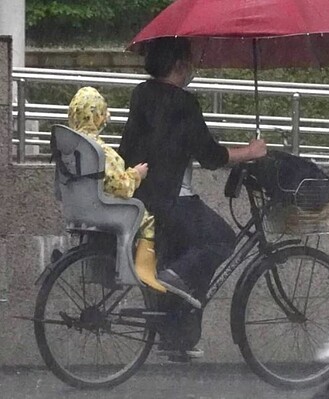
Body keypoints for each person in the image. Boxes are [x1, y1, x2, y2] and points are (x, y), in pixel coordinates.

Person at [118, 37, 267, 358]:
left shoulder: (142, 94)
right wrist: (251, 151)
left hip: (141, 198)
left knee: (186, 264)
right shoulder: (183, 103)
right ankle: (170, 280)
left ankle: (177, 340)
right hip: (172, 200)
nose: (192, 67)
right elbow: (211, 156)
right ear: (177, 65)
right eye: (189, 60)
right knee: (221, 240)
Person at [67, 86, 166, 294]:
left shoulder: (73, 146)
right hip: (104, 208)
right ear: (97, 116)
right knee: (146, 218)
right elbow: (120, 187)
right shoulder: (99, 150)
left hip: (81, 206)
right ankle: (143, 269)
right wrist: (136, 174)